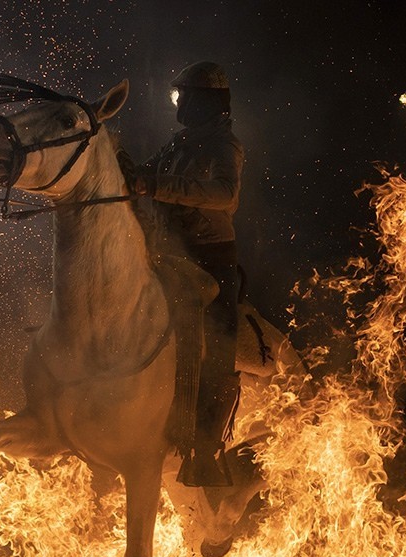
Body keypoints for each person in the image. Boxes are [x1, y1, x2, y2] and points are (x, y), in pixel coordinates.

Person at [131, 61, 244, 487]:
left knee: (217, 348)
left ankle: (205, 450)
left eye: (188, 95)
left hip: (209, 258)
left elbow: (225, 194)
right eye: (181, 94)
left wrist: (157, 186)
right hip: (166, 252)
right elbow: (141, 174)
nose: (181, 102)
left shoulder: (224, 145)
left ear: (207, 101)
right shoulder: (177, 144)